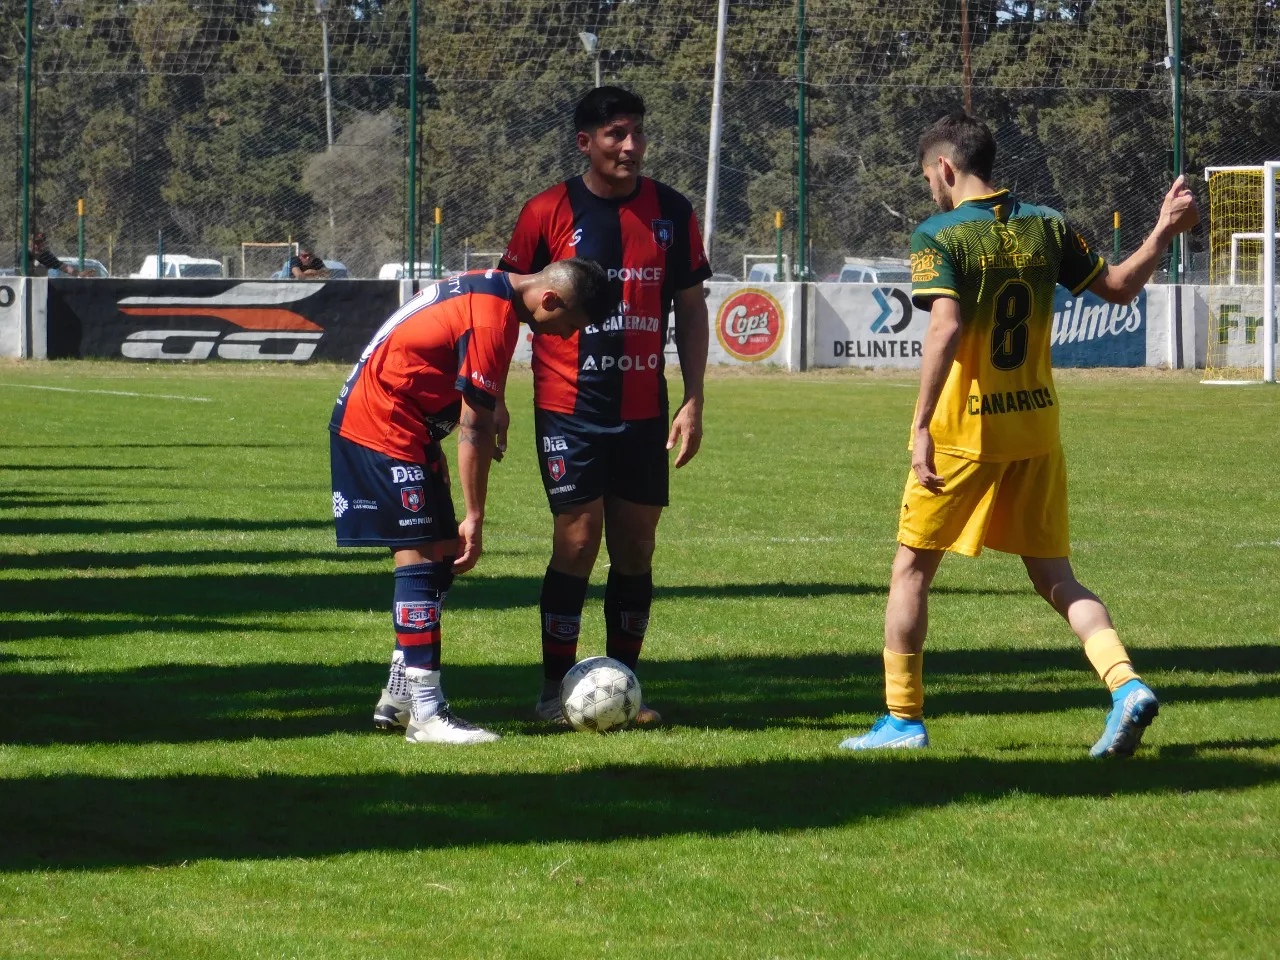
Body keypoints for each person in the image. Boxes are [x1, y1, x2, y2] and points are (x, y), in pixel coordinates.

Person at [839, 111, 1199, 757]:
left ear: (944, 168)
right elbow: (1118, 288)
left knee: (911, 570)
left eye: (928, 177)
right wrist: (1162, 232)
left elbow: (945, 328)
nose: (930, 188)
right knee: (1057, 576)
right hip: (1035, 427)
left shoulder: (937, 234)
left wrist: (920, 425)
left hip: (964, 435)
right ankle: (1125, 684)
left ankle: (901, 720)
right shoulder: (1047, 223)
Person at [329, 259, 614, 745]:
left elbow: (457, 358)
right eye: (569, 324)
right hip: (381, 425)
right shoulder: (493, 317)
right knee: (419, 561)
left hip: (404, 425)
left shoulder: (494, 290)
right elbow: (473, 427)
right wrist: (475, 516)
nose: (565, 336)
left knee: (439, 560)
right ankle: (426, 713)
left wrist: (495, 401)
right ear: (549, 300)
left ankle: (399, 696)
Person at [498, 86, 712, 726]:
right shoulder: (547, 211)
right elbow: (510, 302)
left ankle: (626, 685)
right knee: (578, 540)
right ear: (585, 142)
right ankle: (550, 689)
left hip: (646, 409)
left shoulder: (671, 211)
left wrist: (694, 398)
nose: (631, 146)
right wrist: (496, 395)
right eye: (617, 134)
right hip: (568, 406)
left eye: (638, 133)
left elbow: (692, 309)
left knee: (637, 548)